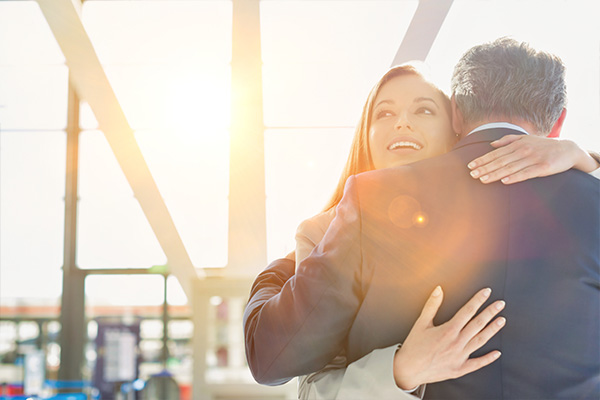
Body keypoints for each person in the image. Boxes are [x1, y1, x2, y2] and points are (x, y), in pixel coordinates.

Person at [244, 38, 600, 399]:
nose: (403, 125)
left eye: (424, 111)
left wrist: (275, 274)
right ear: (558, 123)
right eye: (385, 113)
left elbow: (275, 360)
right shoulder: (590, 200)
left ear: (455, 115)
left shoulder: (369, 202)